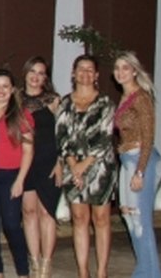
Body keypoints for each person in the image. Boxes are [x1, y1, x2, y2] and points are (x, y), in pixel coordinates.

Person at [56, 55, 116, 278]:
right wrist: (73, 165)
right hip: (73, 167)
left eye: (90, 70)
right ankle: (83, 271)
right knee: (79, 219)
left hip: (100, 167)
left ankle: (101, 272)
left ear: (97, 75)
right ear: (73, 73)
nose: (85, 73)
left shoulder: (106, 103)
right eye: (81, 69)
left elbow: (105, 137)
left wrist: (84, 165)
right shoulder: (65, 103)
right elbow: (61, 136)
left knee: (101, 219)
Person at [113, 52, 161, 278]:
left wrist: (140, 171)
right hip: (126, 161)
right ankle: (144, 269)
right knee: (129, 218)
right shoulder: (125, 98)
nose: (120, 72)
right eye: (117, 68)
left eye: (125, 67)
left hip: (140, 162)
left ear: (134, 70)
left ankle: (151, 273)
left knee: (141, 222)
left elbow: (148, 137)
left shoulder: (141, 97)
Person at [0, 68, 33, 278]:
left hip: (11, 176)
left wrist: (20, 180)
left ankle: (23, 271)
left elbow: (29, 150)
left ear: (12, 90)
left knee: (12, 224)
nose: (1, 90)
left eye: (5, 86)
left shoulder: (21, 115)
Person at [18, 56, 63, 278]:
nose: (36, 77)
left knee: (47, 213)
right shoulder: (15, 99)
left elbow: (65, 134)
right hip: (24, 164)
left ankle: (46, 267)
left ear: (46, 77)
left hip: (49, 163)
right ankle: (34, 263)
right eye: (32, 72)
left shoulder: (53, 100)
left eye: (41, 73)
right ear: (25, 73)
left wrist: (61, 162)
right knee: (28, 211)